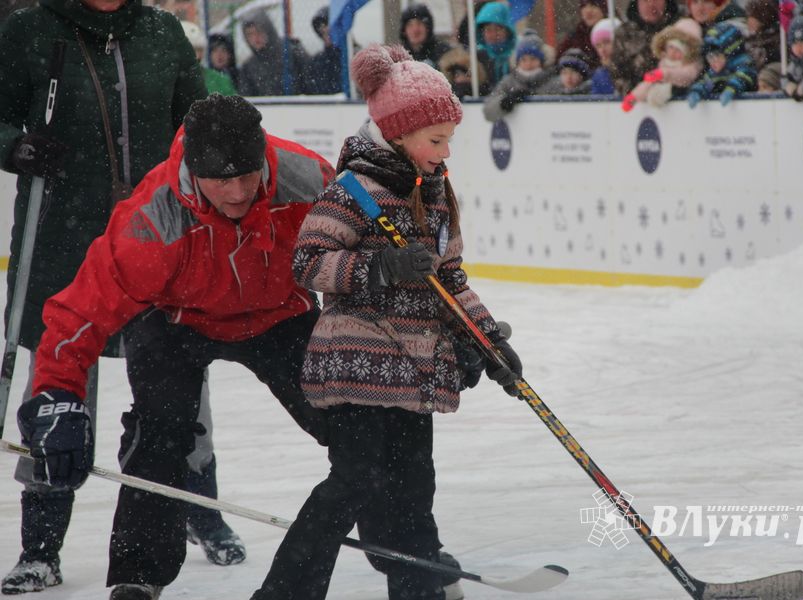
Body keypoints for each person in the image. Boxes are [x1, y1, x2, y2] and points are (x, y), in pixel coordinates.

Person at [13, 94, 334, 600]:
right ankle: (137, 577)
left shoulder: (310, 181)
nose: (235, 193)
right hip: (175, 320)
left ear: (262, 159)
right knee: (160, 433)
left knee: (361, 426)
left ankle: (406, 552)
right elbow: (79, 315)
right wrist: (56, 395)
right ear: (191, 169)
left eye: (247, 176)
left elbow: (380, 250)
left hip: (280, 314)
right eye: (219, 180)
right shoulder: (152, 217)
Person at [251, 43, 522, 600]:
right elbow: (309, 264)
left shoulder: (438, 192)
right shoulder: (352, 191)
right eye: (435, 139)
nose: (445, 152)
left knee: (414, 485)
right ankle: (286, 592)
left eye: (450, 139)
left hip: (412, 371)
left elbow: (450, 280)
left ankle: (417, 587)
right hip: (356, 365)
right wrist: (379, 266)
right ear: (397, 133)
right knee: (355, 483)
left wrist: (488, 339)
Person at [0, 0, 245, 594]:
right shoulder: (31, 29)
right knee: (58, 386)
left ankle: (197, 507)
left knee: (179, 380)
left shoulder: (160, 31)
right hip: (62, 236)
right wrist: (16, 144)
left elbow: (196, 124)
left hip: (158, 233)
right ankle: (41, 544)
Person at [610, 0, 681, 94]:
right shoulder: (624, 34)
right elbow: (617, 73)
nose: (651, 4)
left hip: (677, 100)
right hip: (637, 102)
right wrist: (637, 94)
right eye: (645, 1)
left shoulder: (680, 28)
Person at [483, 35, 554, 121]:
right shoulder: (508, 82)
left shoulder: (552, 81)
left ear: (542, 61)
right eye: (523, 60)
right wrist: (504, 102)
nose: (528, 64)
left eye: (533, 59)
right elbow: (488, 113)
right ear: (517, 61)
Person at [239, 8, 309, 96]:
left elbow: (310, 85)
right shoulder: (248, 67)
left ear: (268, 30)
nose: (255, 38)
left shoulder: (292, 53)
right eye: (250, 34)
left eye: (259, 32)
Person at [686, 22, 757, 107]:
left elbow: (744, 77)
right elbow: (707, 83)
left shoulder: (744, 63)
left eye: (717, 55)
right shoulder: (714, 73)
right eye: (709, 57)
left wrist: (732, 88)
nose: (713, 61)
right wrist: (697, 91)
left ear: (729, 52)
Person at [181, 20, 237, 95]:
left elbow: (234, 104)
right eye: (192, 50)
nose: (197, 56)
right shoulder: (167, 83)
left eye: (200, 50)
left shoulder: (220, 81)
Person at [474, 1, 518, 92]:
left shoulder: (519, 56)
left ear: (508, 31)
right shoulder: (477, 58)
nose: (493, 34)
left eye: (498, 29)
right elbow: (469, 82)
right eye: (488, 30)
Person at [556, 0, 607, 69]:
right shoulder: (574, 37)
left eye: (593, 5)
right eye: (584, 6)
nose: (588, 11)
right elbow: (558, 66)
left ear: (604, 9)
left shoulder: (617, 32)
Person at [400, 3, 452, 68]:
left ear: (428, 28)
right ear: (404, 31)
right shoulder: (399, 56)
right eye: (410, 25)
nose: (415, 30)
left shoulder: (445, 53)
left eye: (419, 24)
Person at [307, 6, 342, 94]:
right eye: (321, 27)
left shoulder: (353, 56)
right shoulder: (317, 61)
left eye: (327, 25)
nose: (324, 30)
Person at [744, 0, 780, 71]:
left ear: (762, 22)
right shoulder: (750, 38)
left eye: (753, 21)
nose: (749, 23)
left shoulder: (774, 39)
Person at [589, 18, 621, 94]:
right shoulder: (599, 75)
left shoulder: (634, 69)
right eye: (598, 46)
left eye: (607, 42)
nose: (602, 49)